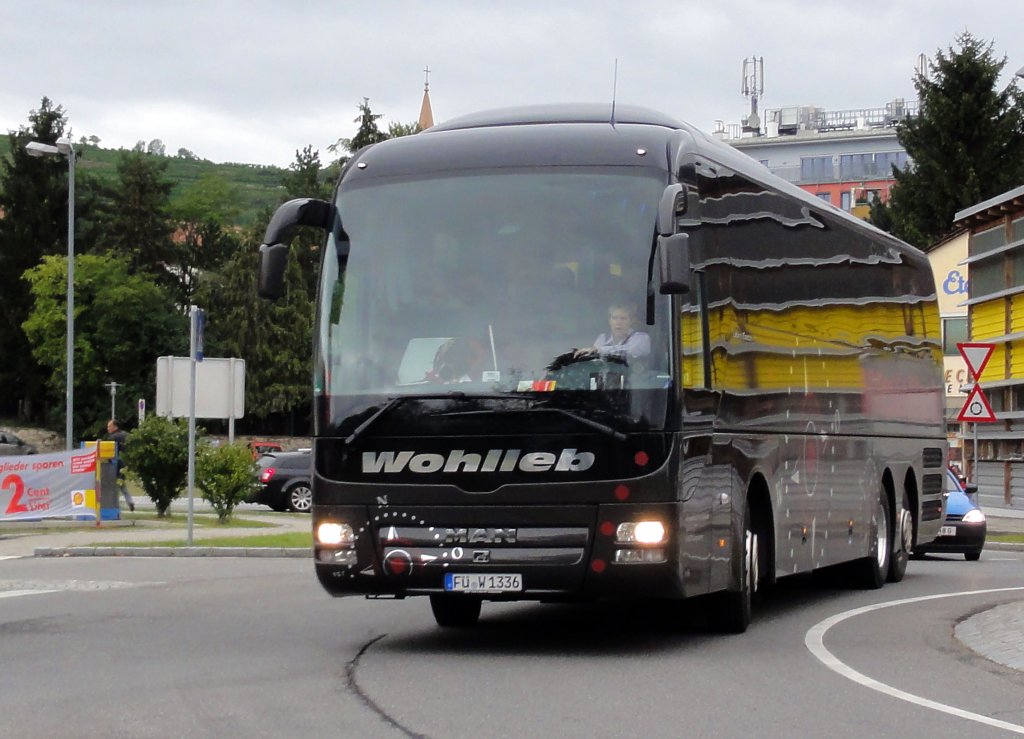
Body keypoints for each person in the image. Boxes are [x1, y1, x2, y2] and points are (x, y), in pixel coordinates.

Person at [575, 302, 651, 362]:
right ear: (609, 321)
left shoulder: (641, 338)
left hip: (634, 380)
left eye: (623, 318)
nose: (618, 322)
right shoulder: (603, 338)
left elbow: (629, 351)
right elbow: (595, 360)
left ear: (631, 321)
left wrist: (599, 350)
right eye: (615, 318)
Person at [105, 419, 135, 512]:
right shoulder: (126, 435)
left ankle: (112, 505)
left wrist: (108, 461)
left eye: (109, 426)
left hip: (115, 465)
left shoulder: (112, 438)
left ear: (114, 426)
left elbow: (110, 454)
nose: (107, 428)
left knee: (112, 486)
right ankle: (130, 501)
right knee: (122, 484)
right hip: (126, 464)